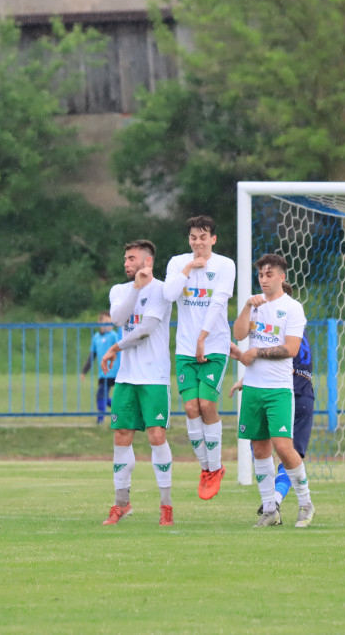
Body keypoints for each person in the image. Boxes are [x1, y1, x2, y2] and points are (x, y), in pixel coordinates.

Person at [232, 254, 316, 528]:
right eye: (261, 275)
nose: (264, 280)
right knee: (259, 449)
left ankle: (305, 504)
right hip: (254, 389)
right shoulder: (254, 306)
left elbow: (291, 349)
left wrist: (256, 352)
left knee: (283, 447)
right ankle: (270, 510)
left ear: (281, 277)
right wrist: (246, 307)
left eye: (269, 275)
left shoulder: (292, 308)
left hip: (279, 389)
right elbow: (239, 334)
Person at [98, 239, 175, 526]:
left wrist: (116, 348)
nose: (126, 263)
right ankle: (122, 503)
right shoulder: (120, 290)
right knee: (121, 438)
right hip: (127, 378)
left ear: (147, 262)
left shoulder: (162, 290)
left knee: (156, 437)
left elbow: (145, 330)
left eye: (132, 258)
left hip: (154, 377)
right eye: (125, 258)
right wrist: (135, 288)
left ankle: (166, 505)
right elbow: (119, 318)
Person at [163, 215, 235, 500]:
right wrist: (188, 267)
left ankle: (215, 467)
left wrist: (203, 338)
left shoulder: (225, 265)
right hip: (185, 349)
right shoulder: (177, 262)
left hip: (214, 345)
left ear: (213, 240)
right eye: (193, 237)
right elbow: (169, 295)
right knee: (191, 408)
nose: (198, 243)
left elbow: (218, 303)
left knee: (206, 404)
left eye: (203, 237)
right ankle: (207, 469)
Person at [80, 311, 121, 424]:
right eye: (106, 322)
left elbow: (121, 349)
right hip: (104, 373)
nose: (109, 325)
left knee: (102, 396)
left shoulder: (113, 335)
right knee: (102, 396)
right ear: (100, 322)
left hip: (115, 372)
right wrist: (84, 371)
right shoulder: (96, 337)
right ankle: (120, 411)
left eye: (110, 322)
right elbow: (92, 355)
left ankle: (100, 420)